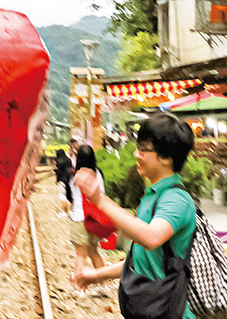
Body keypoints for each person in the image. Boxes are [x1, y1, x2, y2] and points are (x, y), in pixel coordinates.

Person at [74, 114, 197, 319]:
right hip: (150, 309)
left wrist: (99, 200)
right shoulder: (152, 197)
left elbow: (151, 237)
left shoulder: (176, 200)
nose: (136, 154)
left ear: (166, 157)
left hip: (169, 311)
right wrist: (96, 275)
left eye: (143, 149)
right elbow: (140, 260)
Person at [69, 145, 105, 279]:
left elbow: (71, 196)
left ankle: (79, 284)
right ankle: (103, 283)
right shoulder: (98, 174)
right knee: (94, 251)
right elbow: (102, 194)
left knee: (80, 254)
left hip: (79, 217)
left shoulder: (74, 176)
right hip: (93, 217)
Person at [53, 149, 74, 215]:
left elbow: (58, 171)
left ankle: (64, 211)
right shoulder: (68, 160)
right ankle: (70, 210)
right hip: (69, 180)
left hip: (61, 180)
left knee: (62, 195)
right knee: (69, 195)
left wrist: (55, 170)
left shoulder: (59, 161)